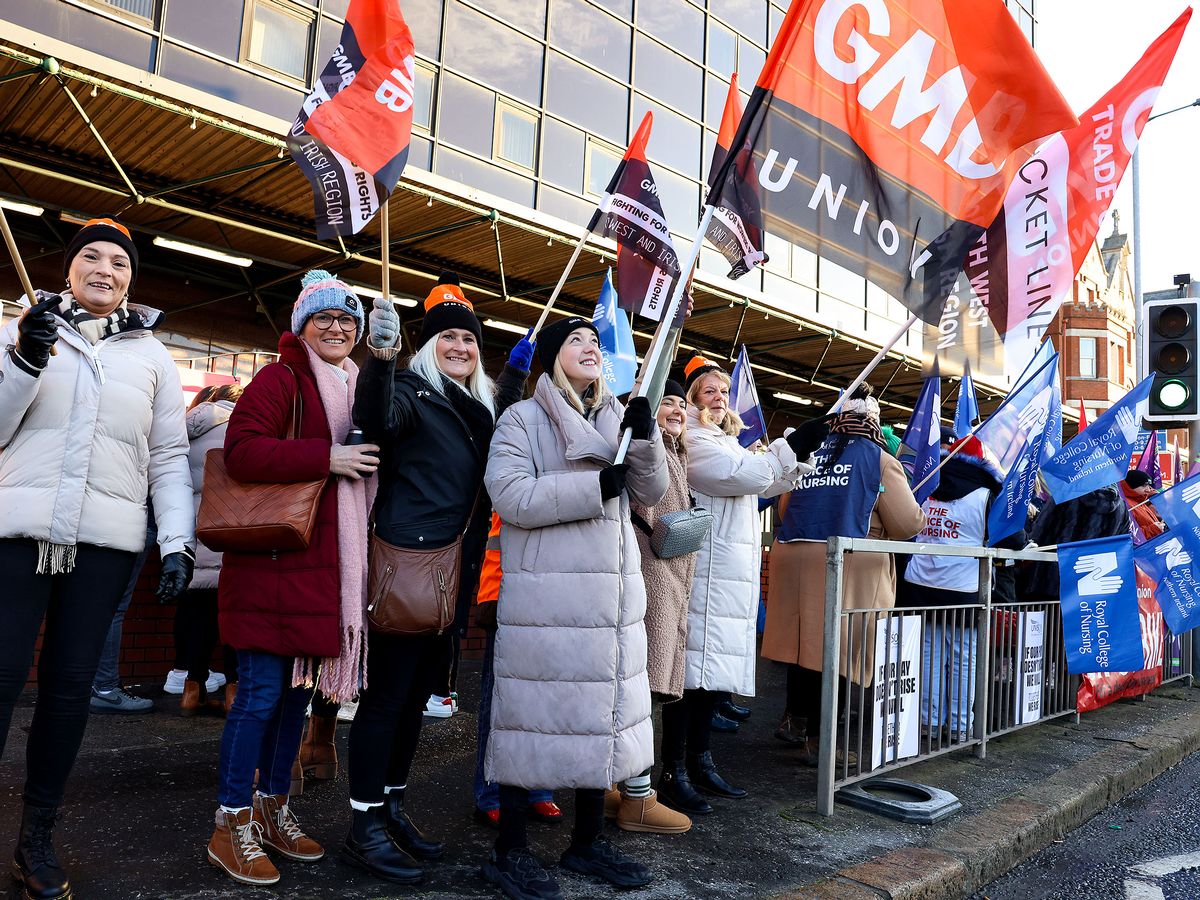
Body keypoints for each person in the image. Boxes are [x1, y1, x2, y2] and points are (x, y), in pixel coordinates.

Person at [0, 218, 195, 900]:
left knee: (66, 689)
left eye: (119, 260)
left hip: (104, 545)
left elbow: (169, 457)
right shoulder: (22, 330)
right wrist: (26, 360)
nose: (105, 268)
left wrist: (177, 541)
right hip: (17, 535)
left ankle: (36, 839)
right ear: (69, 269)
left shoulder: (152, 359)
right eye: (91, 256)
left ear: (132, 279)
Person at [343, 273, 531, 885]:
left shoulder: (477, 403)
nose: (459, 346)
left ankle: (392, 807)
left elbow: (490, 419)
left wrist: (518, 371)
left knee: (416, 703)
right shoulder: (406, 389)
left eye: (469, 340)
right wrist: (380, 357)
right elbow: (374, 418)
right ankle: (364, 825)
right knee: (386, 701)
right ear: (426, 346)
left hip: (454, 572)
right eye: (448, 337)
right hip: (410, 566)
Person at [482, 316, 667, 899]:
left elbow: (652, 491)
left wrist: (645, 438)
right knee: (529, 715)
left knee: (599, 717)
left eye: (595, 341)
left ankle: (586, 843)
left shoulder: (616, 414)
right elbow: (511, 495)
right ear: (553, 358)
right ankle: (509, 850)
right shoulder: (522, 418)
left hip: (609, 600)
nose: (590, 347)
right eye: (575, 340)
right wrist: (595, 489)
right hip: (548, 596)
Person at [206, 270, 379, 887]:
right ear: (303, 326)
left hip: (325, 574)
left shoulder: (358, 385)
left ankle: (273, 809)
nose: (337, 328)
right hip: (274, 567)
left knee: (296, 701)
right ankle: (230, 823)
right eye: (324, 318)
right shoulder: (282, 378)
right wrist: (326, 458)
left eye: (347, 320)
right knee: (257, 698)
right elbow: (243, 449)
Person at [661, 356, 810, 815]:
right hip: (704, 573)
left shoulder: (729, 442)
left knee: (711, 681)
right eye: (709, 391)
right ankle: (673, 769)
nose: (719, 398)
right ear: (691, 399)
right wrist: (791, 444)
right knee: (690, 680)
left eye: (723, 392)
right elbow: (748, 475)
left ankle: (700, 759)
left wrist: (789, 457)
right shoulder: (696, 439)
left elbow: (771, 480)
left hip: (727, 576)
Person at [762, 384, 925, 766]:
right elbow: (905, 523)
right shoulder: (880, 459)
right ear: (873, 423)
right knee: (836, 653)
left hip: (794, 556)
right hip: (845, 564)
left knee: (802, 648)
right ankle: (823, 743)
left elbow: (785, 510)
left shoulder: (811, 451)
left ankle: (795, 721)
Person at [608, 379, 696, 835]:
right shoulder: (647, 444)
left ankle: (615, 786)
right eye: (669, 401)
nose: (678, 410)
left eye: (683, 403)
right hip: (650, 578)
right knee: (643, 690)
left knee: (643, 688)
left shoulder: (680, 451)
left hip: (668, 579)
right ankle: (637, 796)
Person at [902, 436, 1022, 742]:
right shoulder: (987, 495)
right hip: (964, 586)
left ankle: (928, 721)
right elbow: (1011, 541)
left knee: (928, 654)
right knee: (963, 658)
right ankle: (958, 726)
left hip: (920, 582)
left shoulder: (924, 488)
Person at [474, 513, 563, 830]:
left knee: (547, 699)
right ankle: (491, 794)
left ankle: (538, 788)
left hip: (552, 592)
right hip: (505, 589)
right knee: (499, 703)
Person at [177, 382, 244, 716]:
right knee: (232, 618)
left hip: (193, 531)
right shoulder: (245, 428)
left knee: (197, 615)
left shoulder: (187, 427)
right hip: (230, 533)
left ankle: (192, 688)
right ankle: (234, 692)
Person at [89, 514, 157, 714]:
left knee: (91, 604)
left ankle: (94, 685)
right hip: (133, 522)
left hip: (95, 523)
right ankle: (105, 688)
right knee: (113, 606)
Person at [1121, 470, 1166, 541]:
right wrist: (1153, 530)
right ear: (1131, 486)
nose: (1148, 490)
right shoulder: (1124, 505)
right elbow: (1126, 536)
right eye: (1144, 486)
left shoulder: (1141, 502)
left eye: (1149, 485)